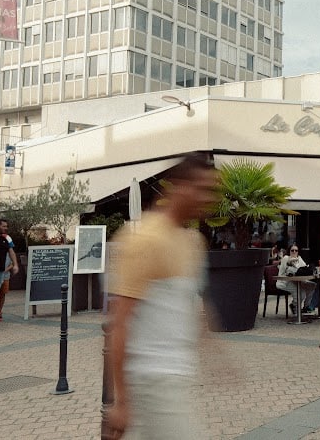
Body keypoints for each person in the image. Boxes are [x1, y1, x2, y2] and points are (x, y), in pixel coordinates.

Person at [105, 152, 219, 439]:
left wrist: (218, 354)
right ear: (179, 186)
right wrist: (121, 401)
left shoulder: (192, 242)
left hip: (174, 378)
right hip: (150, 379)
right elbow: (118, 325)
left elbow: (187, 305)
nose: (209, 198)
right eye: (203, 189)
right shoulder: (144, 240)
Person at [276, 244, 316, 315]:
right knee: (302, 293)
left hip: (297, 281)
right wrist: (293, 264)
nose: (294, 252)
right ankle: (294, 305)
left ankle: (306, 307)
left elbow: (304, 268)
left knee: (312, 286)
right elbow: (288, 271)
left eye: (296, 250)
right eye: (292, 250)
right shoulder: (286, 258)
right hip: (284, 281)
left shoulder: (299, 258)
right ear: (289, 251)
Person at [0, 219, 18, 321]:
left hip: (1, 272)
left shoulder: (7, 238)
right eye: (3, 226)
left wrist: (15, 265)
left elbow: (11, 252)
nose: (6, 228)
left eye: (6, 226)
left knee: (0, 294)